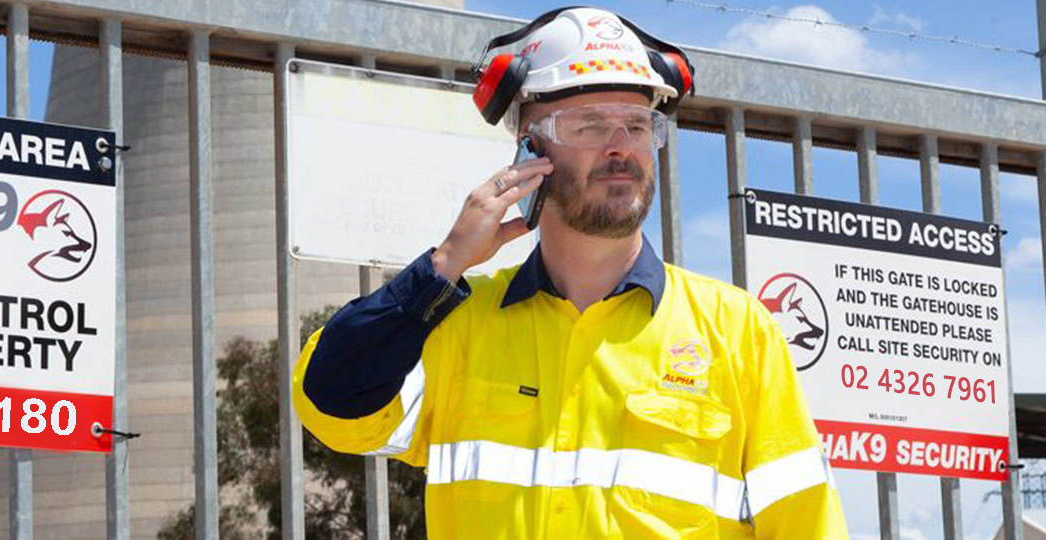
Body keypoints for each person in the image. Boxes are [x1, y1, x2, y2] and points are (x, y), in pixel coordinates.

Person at [291, 6, 849, 539]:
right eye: (591, 125)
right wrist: (444, 265)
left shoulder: (737, 331)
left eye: (638, 125)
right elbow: (330, 406)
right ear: (530, 151)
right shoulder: (461, 325)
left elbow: (808, 524)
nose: (621, 148)